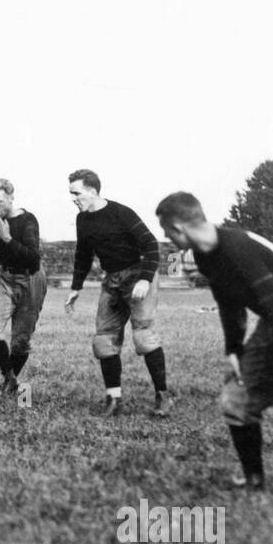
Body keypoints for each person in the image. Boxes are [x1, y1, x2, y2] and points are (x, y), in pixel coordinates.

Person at [155, 191, 273, 494]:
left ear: (178, 227)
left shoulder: (236, 247)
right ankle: (254, 480)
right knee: (237, 398)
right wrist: (233, 348)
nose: (166, 236)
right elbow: (229, 301)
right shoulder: (205, 254)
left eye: (166, 231)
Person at [63, 170, 171, 417]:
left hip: (137, 275)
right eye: (71, 193)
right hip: (112, 280)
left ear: (92, 191)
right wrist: (76, 287)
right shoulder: (82, 220)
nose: (73, 198)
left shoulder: (121, 213)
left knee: (143, 336)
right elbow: (83, 255)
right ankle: (114, 399)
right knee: (104, 340)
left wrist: (144, 279)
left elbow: (151, 245)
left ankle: (163, 397)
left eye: (76, 193)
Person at [0, 178, 47, 395]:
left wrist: (8, 239)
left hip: (31, 279)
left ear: (11, 198)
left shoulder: (28, 220)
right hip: (6, 277)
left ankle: (10, 386)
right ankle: (10, 378)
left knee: (21, 341)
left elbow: (33, 258)